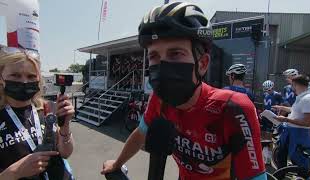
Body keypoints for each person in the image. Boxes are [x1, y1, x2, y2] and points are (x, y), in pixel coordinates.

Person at [101, 2, 266, 179]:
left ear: (202, 64)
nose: (163, 65)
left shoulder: (233, 108)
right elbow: (141, 133)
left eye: (175, 54)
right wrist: (117, 164)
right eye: (154, 56)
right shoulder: (160, 99)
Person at [0, 47, 75, 180]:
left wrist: (65, 126)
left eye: (31, 76)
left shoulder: (47, 108)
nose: (24, 81)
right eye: (15, 75)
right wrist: (14, 172)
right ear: (1, 77)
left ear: (38, 79)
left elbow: (65, 153)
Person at [273, 75, 310, 170]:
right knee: (281, 157)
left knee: (299, 162)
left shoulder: (309, 100)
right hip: (291, 133)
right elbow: (296, 111)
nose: (291, 88)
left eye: (292, 85)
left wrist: (286, 119)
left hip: (299, 135)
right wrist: (282, 108)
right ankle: (281, 175)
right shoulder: (302, 98)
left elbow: (309, 122)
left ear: (295, 85)